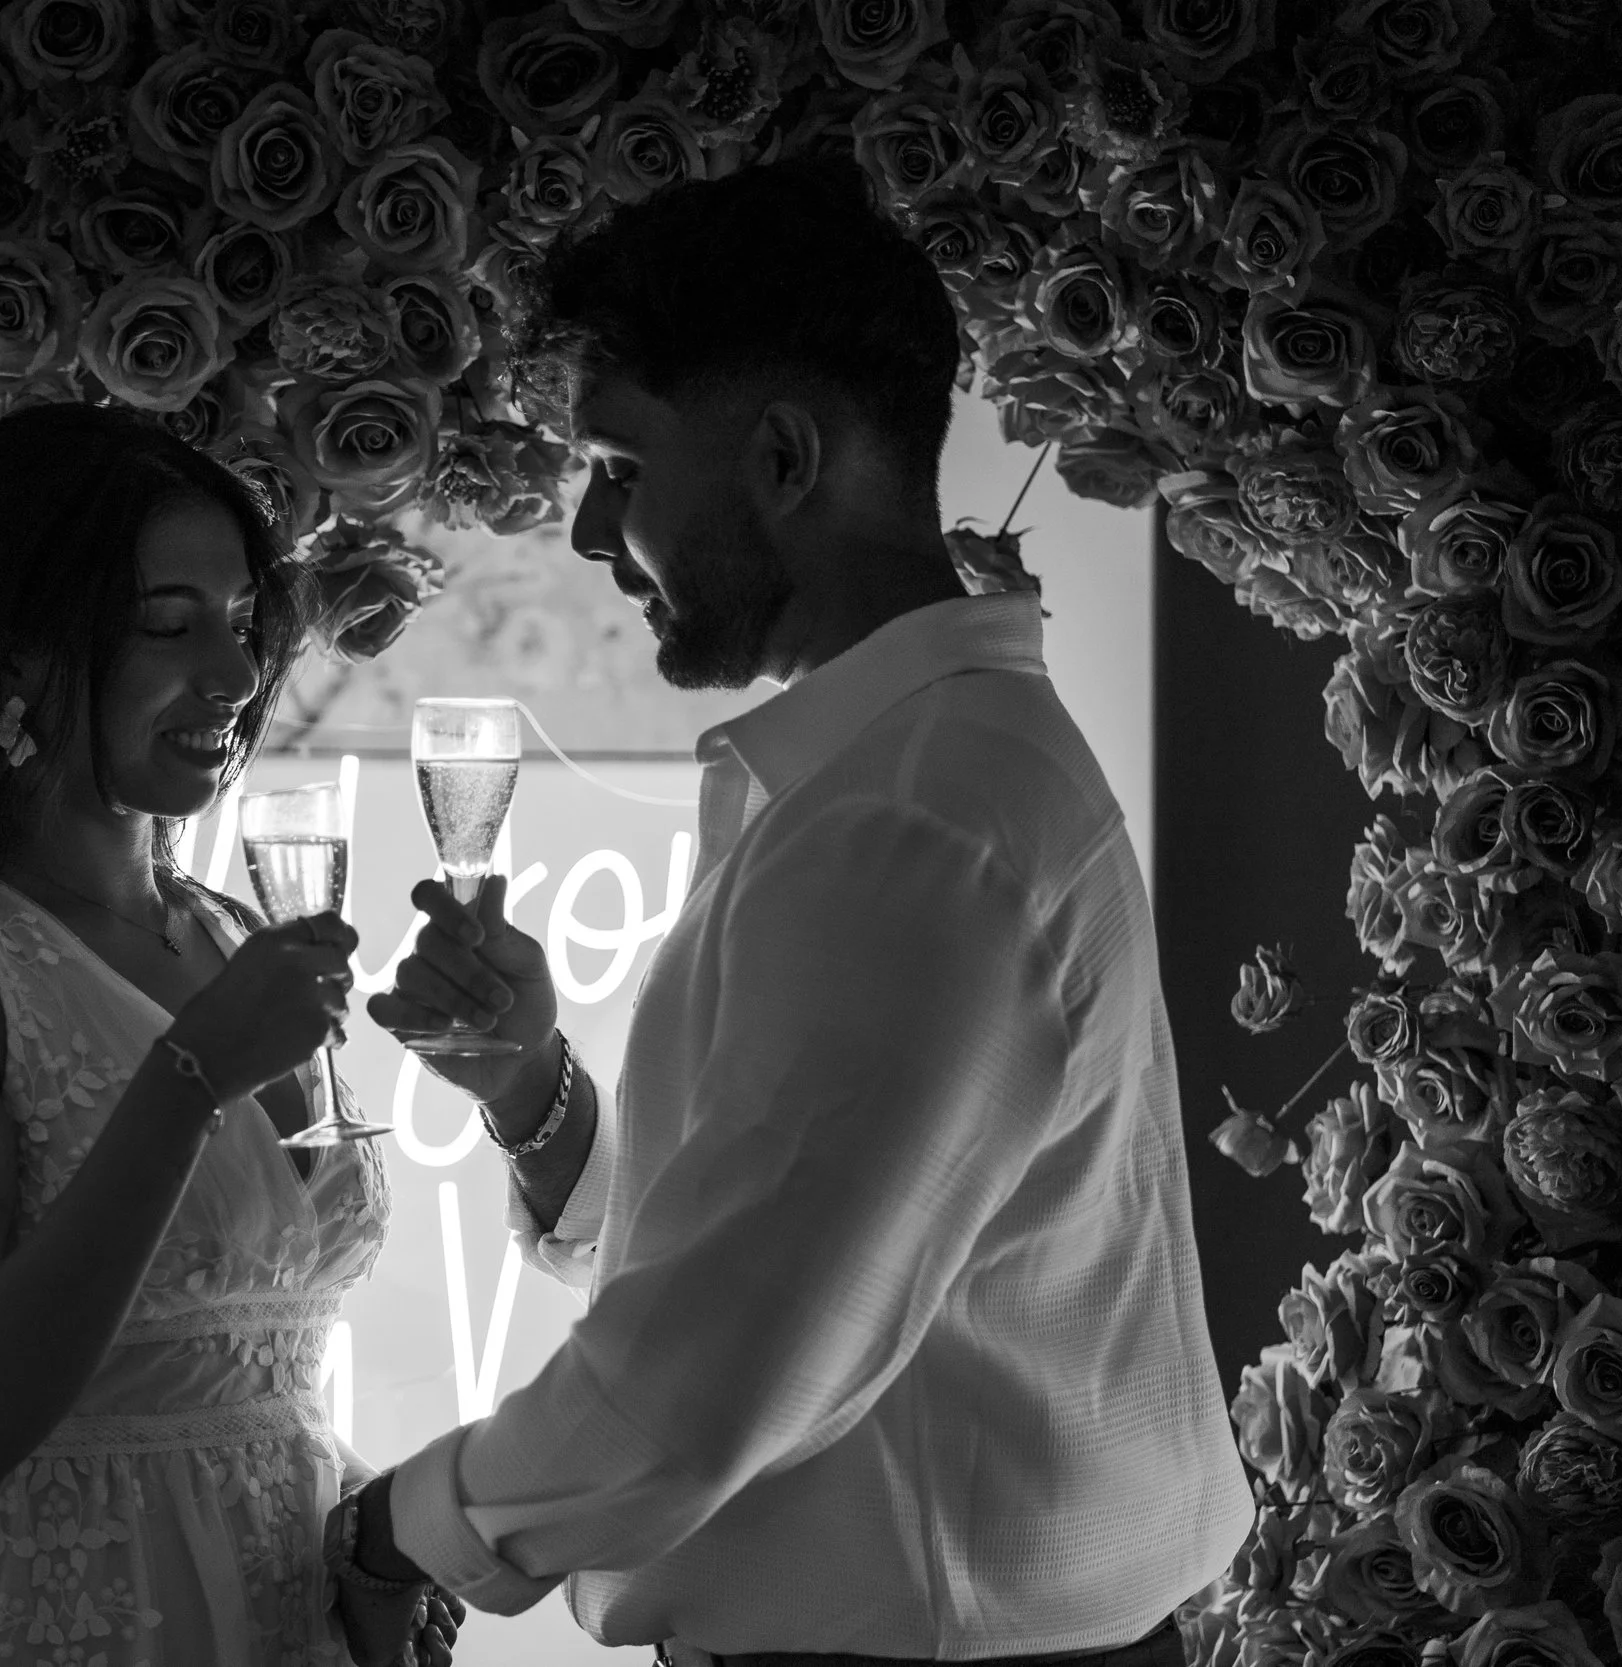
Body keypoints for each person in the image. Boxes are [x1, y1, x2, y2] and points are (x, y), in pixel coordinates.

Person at [334, 156, 1255, 1667]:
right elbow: (798, 1241)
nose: (582, 529)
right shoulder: (902, 775)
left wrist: (402, 1532)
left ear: (779, 456)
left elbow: (710, 1378)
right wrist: (535, 1098)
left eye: (622, 465)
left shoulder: (913, 821)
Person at [0, 402, 461, 1667]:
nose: (235, 672)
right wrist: (191, 1073)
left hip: (267, 1608)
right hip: (26, 1615)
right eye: (168, 623)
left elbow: (224, 1366)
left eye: (242, 621)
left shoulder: (219, 932)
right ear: (15, 651)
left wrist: (358, 1535)